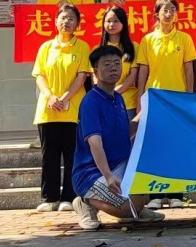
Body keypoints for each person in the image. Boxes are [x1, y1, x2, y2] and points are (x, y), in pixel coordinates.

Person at [68, 44, 163, 230]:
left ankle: (135, 208)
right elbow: (95, 143)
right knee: (128, 209)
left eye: (117, 64)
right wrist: (108, 176)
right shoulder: (90, 102)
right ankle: (85, 201)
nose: (113, 68)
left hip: (119, 166)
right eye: (107, 64)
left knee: (143, 190)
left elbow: (126, 133)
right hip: (92, 173)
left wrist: (147, 111)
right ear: (95, 71)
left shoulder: (117, 98)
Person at [135, 0, 196, 208]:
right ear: (157, 15)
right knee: (156, 146)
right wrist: (140, 98)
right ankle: (156, 195)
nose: (169, 14)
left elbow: (189, 70)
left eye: (172, 10)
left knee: (177, 147)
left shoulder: (185, 39)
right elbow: (143, 71)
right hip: (155, 100)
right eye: (165, 10)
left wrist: (189, 96)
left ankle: (177, 194)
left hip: (177, 100)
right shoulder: (148, 40)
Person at [31, 3, 92, 213]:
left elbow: (82, 76)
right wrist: (50, 97)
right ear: (56, 21)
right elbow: (39, 75)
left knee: (72, 155)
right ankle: (49, 198)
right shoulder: (46, 47)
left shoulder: (82, 46)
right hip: (48, 110)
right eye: (63, 17)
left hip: (72, 108)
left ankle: (69, 197)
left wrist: (65, 98)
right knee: (49, 155)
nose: (66, 22)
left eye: (71, 18)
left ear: (77, 24)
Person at [99, 5, 138, 118]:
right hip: (104, 102)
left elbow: (132, 76)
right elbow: (95, 77)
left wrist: (113, 92)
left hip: (127, 103)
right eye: (108, 21)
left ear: (123, 23)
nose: (111, 25)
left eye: (116, 21)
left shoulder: (133, 47)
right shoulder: (98, 49)